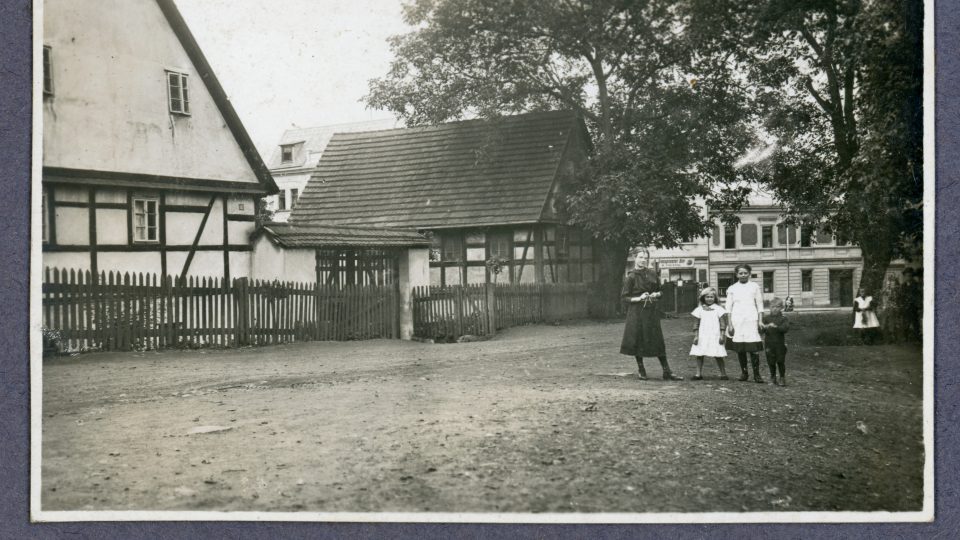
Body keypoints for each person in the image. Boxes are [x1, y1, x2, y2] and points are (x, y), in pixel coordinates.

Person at [620, 253, 683, 381]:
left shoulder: (652, 274)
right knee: (638, 339)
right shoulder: (631, 277)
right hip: (636, 312)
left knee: (657, 339)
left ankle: (667, 371)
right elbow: (625, 298)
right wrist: (639, 298)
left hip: (651, 312)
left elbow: (661, 291)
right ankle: (641, 369)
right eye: (640, 257)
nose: (643, 260)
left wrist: (655, 294)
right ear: (635, 258)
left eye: (645, 258)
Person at [724, 263, 765, 383]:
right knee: (740, 348)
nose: (743, 275)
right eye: (740, 273)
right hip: (737, 320)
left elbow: (760, 304)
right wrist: (730, 324)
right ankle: (744, 373)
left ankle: (757, 374)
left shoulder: (754, 286)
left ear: (749, 274)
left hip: (751, 319)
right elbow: (728, 308)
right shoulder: (732, 288)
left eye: (745, 273)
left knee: (753, 348)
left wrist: (760, 320)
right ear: (736, 274)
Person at [689, 287, 728, 380]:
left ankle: (723, 374)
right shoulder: (699, 309)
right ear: (703, 298)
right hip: (703, 335)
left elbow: (723, 324)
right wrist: (696, 336)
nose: (709, 299)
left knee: (718, 355)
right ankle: (698, 374)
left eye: (711, 297)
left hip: (715, 335)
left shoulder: (719, 309)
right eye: (707, 297)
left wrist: (722, 335)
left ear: (715, 298)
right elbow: (696, 324)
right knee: (699, 354)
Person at [761, 297, 791, 386]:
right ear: (769, 307)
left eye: (777, 307)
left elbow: (785, 328)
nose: (775, 309)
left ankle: (782, 377)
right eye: (773, 307)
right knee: (771, 361)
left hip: (780, 344)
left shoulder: (783, 318)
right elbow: (760, 330)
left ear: (781, 308)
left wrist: (777, 327)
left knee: (780, 361)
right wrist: (764, 327)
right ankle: (773, 377)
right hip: (769, 344)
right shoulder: (766, 318)